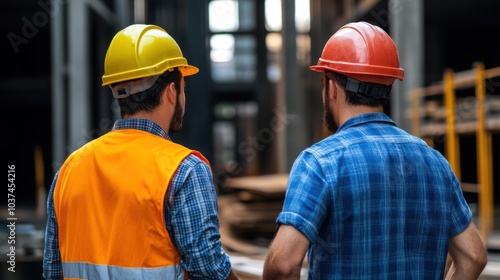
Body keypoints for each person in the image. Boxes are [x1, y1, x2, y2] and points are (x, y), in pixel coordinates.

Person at [263, 21, 487, 279]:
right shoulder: (435, 162)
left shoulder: (320, 162)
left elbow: (282, 264)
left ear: (331, 86)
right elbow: (473, 256)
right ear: (388, 86)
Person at [43, 24, 239, 280]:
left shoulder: (69, 170)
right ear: (172, 92)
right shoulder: (184, 170)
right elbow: (209, 269)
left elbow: (52, 271)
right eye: (184, 88)